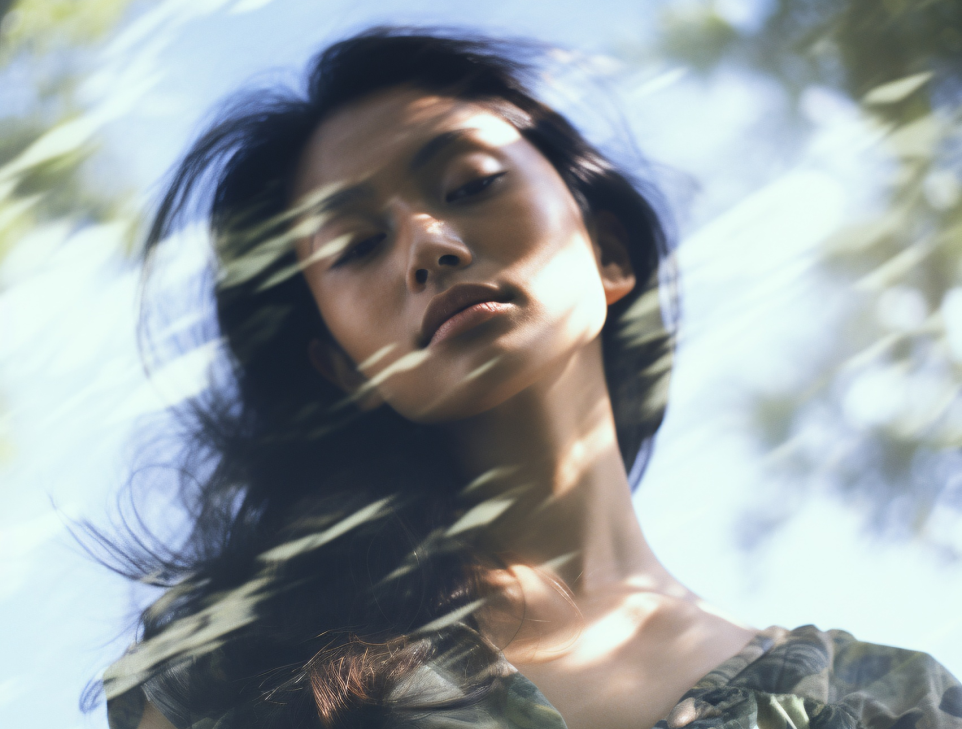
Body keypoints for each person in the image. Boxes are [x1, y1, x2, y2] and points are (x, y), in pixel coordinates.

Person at [96, 27, 962, 729]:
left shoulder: (896, 705)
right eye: (357, 246)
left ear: (609, 251)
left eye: (470, 182)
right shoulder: (248, 660)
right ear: (344, 367)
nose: (428, 243)